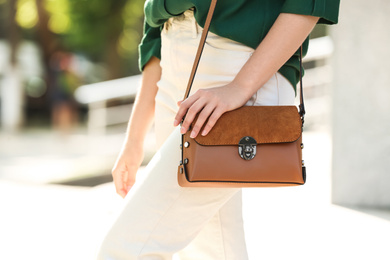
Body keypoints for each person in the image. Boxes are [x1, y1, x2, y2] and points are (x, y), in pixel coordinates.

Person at [97, 0, 339, 259]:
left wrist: (240, 87)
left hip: (241, 66)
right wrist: (134, 137)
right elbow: (155, 30)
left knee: (127, 248)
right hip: (173, 69)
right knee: (212, 250)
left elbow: (309, 5)